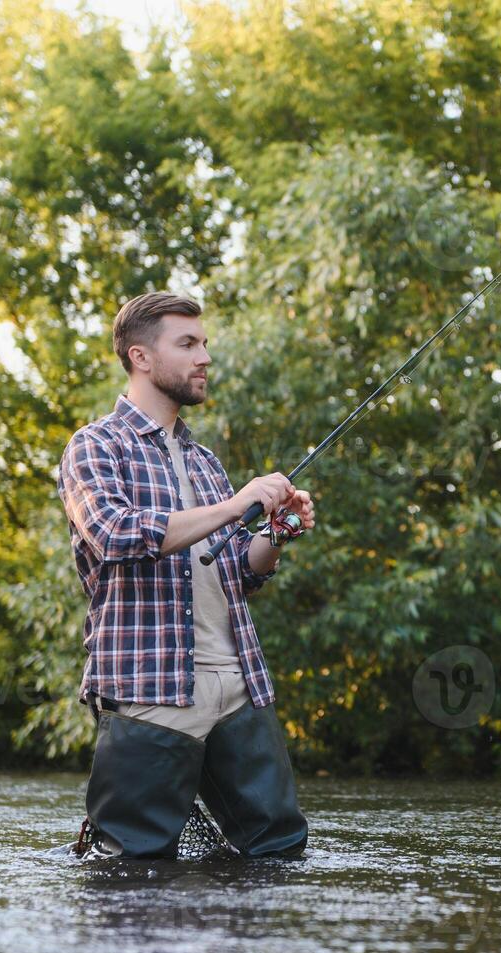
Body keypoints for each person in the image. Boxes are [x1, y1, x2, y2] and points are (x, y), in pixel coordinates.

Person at [56, 291, 315, 860]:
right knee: (131, 867)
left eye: (205, 344)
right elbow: (116, 535)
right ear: (141, 357)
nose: (205, 357)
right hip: (149, 692)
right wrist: (234, 506)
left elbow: (235, 573)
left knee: (281, 853)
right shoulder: (94, 447)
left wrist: (276, 534)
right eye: (188, 344)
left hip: (238, 684)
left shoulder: (204, 461)